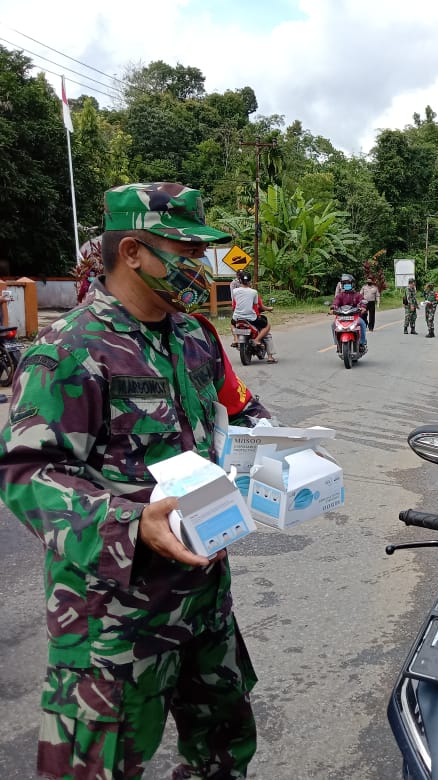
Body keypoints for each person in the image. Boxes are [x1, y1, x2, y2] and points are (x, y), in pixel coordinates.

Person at [0, 182, 271, 780]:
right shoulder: (67, 349)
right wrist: (128, 520)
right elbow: (27, 475)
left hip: (203, 602)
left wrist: (268, 459)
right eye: (185, 251)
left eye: (203, 254)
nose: (200, 268)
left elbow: (223, 426)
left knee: (224, 753)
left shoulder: (195, 338)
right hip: (111, 619)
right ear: (132, 252)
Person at [230, 271, 277, 363]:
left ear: (240, 281)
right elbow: (258, 306)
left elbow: (234, 306)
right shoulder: (254, 292)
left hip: (238, 317)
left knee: (232, 324)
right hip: (251, 318)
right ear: (250, 282)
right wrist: (269, 309)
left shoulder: (235, 291)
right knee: (267, 327)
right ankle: (259, 343)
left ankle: (235, 339)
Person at [329, 273, 368, 353]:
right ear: (342, 285)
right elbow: (335, 303)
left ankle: (362, 343)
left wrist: (363, 307)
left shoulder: (357, 295)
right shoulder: (340, 296)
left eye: (348, 283)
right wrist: (333, 308)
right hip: (341, 317)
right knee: (333, 325)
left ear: (352, 284)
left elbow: (362, 302)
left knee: (362, 323)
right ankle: (337, 344)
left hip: (354, 316)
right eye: (344, 284)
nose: (346, 285)